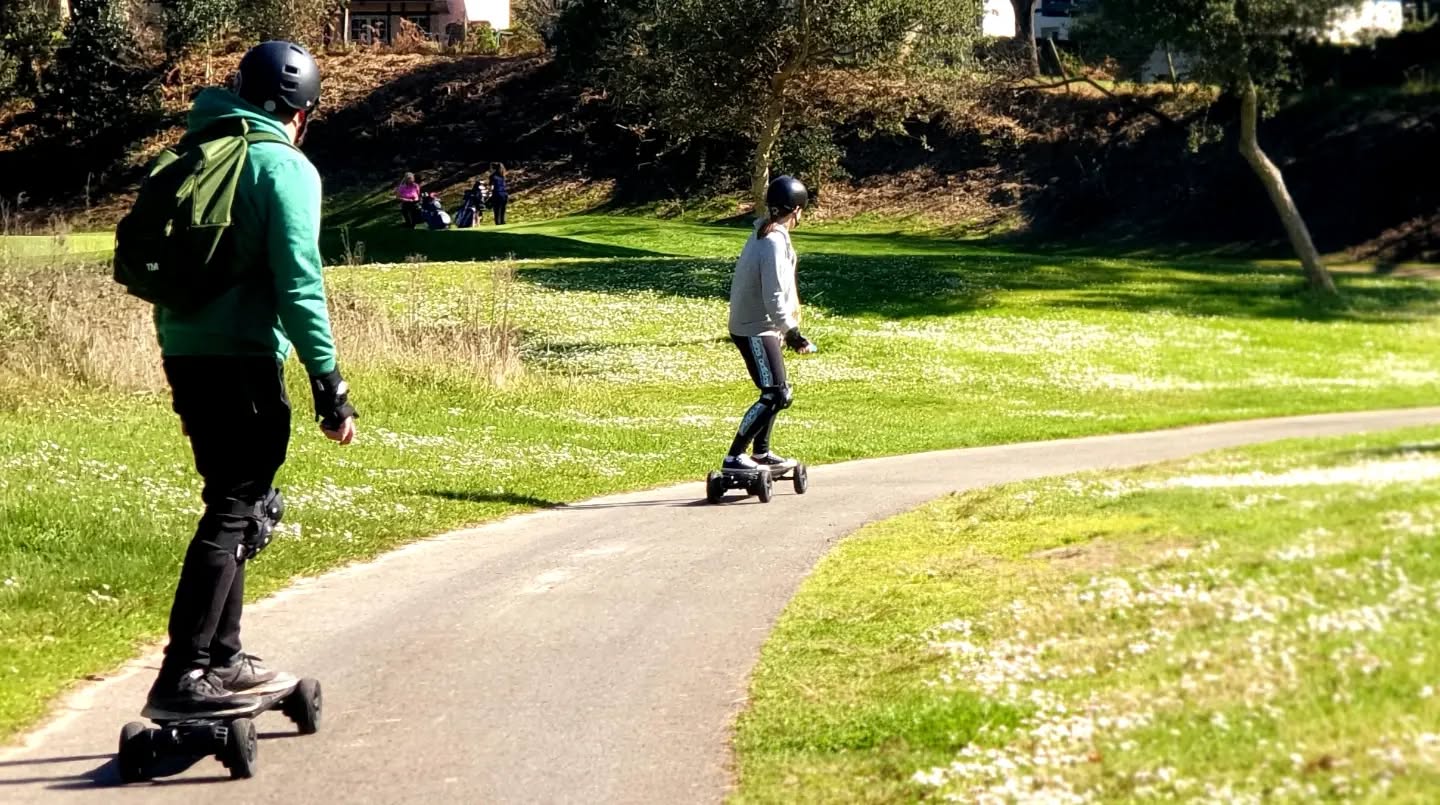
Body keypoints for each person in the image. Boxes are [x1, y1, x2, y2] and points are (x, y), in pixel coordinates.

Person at [145, 40, 359, 714]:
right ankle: (185, 672)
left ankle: (226, 657)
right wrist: (330, 384)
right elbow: (300, 285)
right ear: (300, 112)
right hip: (244, 363)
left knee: (232, 503)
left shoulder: (183, 154)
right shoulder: (282, 167)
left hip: (184, 352)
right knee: (236, 507)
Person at [721, 175, 817, 476]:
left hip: (760, 325)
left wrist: (786, 328)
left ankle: (761, 453)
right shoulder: (773, 241)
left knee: (777, 392)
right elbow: (773, 295)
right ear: (798, 211)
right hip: (756, 328)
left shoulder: (766, 231)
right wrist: (793, 333)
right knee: (775, 394)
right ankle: (735, 456)